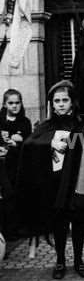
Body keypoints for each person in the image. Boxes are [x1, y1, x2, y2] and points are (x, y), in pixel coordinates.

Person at [16, 80, 84, 280]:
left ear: (72, 102)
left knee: (79, 220)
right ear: (51, 104)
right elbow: (30, 144)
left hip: (77, 180)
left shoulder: (82, 124)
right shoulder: (45, 125)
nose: (61, 104)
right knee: (59, 221)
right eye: (56, 101)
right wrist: (51, 143)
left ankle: (79, 260)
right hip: (56, 181)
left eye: (65, 100)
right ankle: (60, 260)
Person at [0, 89, 31, 239]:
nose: (14, 106)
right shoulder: (0, 121)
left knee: (15, 195)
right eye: (11, 103)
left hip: (16, 165)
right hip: (2, 164)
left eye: (17, 103)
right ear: (5, 104)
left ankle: (15, 229)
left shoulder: (24, 122)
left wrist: (17, 143)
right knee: (5, 196)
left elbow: (27, 142)